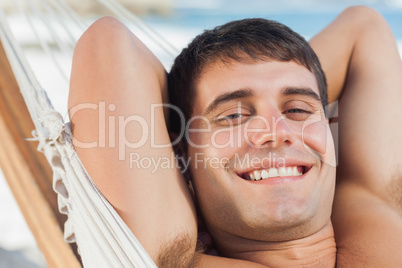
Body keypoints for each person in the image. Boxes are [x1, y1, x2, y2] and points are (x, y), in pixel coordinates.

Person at [68, 5, 402, 267]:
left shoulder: (372, 207)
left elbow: (364, 26)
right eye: (234, 116)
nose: (277, 132)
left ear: (330, 132)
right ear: (181, 156)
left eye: (298, 110)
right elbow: (108, 42)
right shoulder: (166, 256)